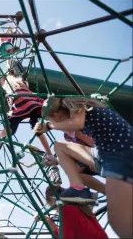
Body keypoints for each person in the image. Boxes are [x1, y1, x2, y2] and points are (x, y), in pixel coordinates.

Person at [33, 96, 133, 238]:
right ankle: (78, 188)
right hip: (104, 151)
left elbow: (77, 124)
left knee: (119, 221)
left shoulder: (77, 106)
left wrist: (49, 126)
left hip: (120, 151)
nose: (54, 124)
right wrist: (58, 161)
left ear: (58, 114)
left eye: (53, 120)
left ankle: (102, 191)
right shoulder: (79, 116)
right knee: (60, 147)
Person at [0, 75, 53, 161]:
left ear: (4, 79)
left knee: (12, 127)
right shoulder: (20, 82)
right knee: (35, 124)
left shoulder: (6, 85)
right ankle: (49, 154)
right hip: (29, 101)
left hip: (18, 104)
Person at [34, 186, 108, 239]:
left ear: (53, 199)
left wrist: (52, 227)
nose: (55, 210)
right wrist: (45, 218)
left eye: (51, 205)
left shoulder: (66, 209)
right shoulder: (78, 205)